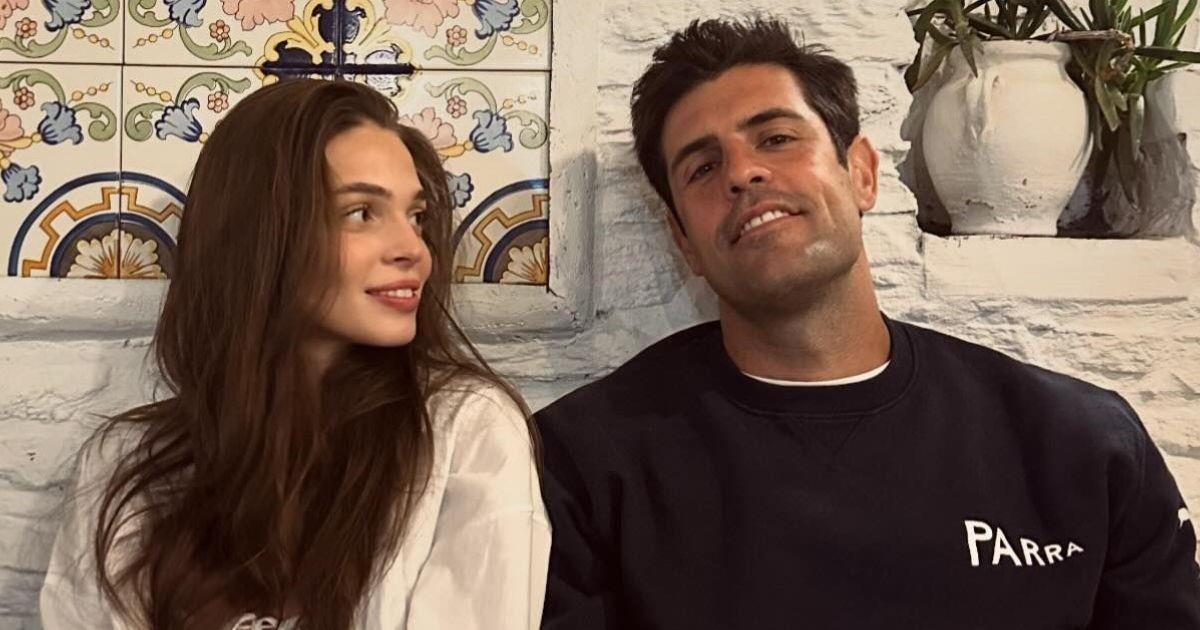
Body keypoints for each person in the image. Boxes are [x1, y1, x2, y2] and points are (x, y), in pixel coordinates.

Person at [536, 16, 1200, 629]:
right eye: (703, 167)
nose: (742, 172)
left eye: (776, 138)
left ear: (862, 173)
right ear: (683, 240)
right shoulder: (583, 467)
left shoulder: (1081, 447)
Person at [39, 79, 549, 630]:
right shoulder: (125, 465)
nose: (414, 250)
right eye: (361, 213)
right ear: (261, 232)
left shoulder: (465, 431)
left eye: (417, 216)